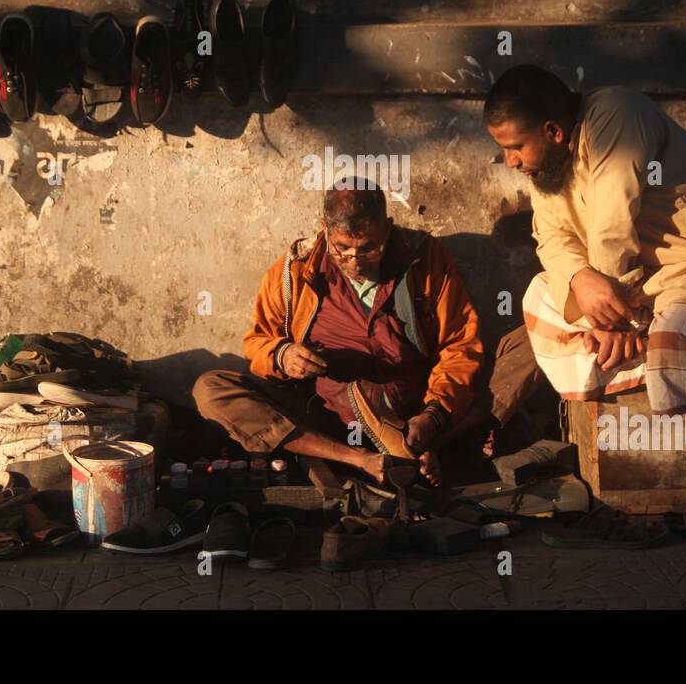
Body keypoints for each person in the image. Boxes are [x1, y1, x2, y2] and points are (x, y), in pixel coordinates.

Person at [484, 65, 686, 531]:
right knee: (539, 297)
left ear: (553, 130)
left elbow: (614, 228)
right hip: (647, 287)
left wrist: (617, 318)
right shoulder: (548, 168)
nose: (509, 160)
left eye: (514, 146)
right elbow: (551, 240)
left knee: (677, 341)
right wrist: (580, 280)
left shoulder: (614, 112)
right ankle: (650, 348)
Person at [193, 182, 546, 485]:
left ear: (388, 228)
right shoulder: (297, 268)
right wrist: (283, 355)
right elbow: (257, 343)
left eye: (368, 248)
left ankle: (420, 449)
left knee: (534, 341)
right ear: (325, 229)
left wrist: (434, 414)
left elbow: (459, 344)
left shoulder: (422, 260)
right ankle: (362, 461)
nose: (355, 260)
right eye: (342, 249)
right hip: (327, 418)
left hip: (417, 412)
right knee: (211, 388)